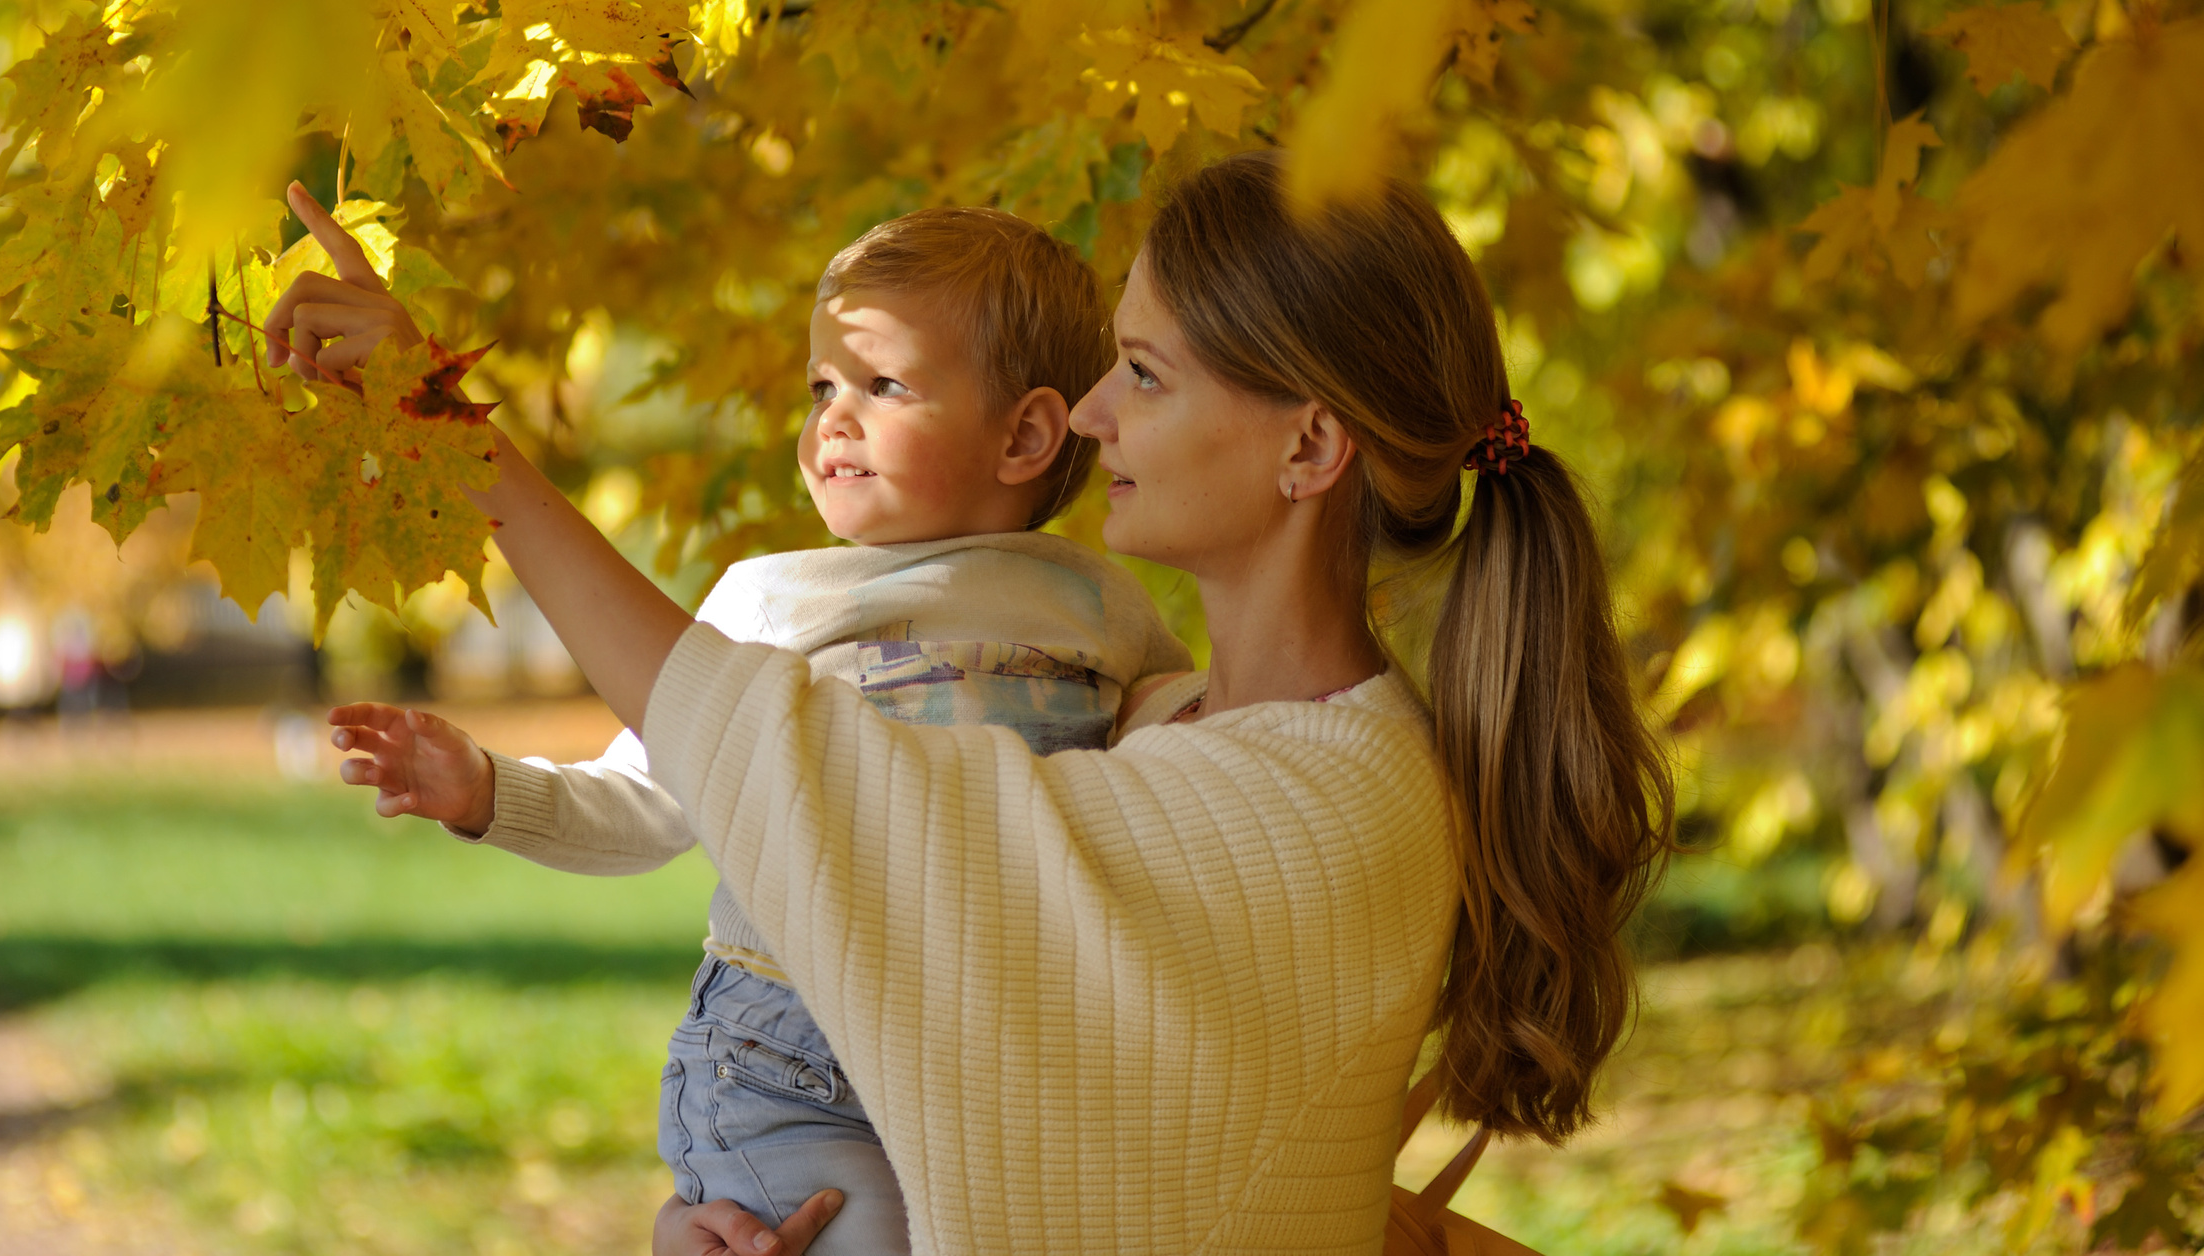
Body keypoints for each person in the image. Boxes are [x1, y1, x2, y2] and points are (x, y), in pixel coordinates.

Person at [287, 155, 1673, 1256]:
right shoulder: (1162, 719)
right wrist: (730, 1201)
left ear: (1308, 445)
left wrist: (453, 433)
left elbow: (819, 783)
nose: (1087, 419)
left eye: (1145, 373)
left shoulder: (1319, 806)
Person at [275, 192, 1189, 1252]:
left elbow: (1178, 774)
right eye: (821, 386)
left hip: (990, 1053)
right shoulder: (773, 602)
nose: (831, 419)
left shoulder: (1099, 607)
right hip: (790, 1062)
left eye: (883, 384)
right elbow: (648, 802)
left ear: (1026, 432)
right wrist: (490, 790)